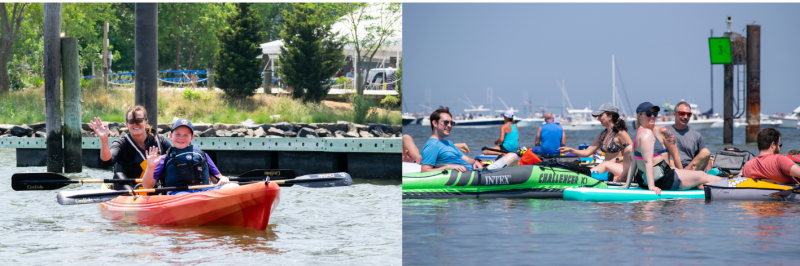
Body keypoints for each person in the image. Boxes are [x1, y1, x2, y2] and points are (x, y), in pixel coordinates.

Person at [618, 102, 721, 195]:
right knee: (702, 175)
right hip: (665, 179)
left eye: (655, 114)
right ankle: (730, 182)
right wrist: (652, 186)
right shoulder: (647, 133)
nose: (653, 116)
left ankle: (701, 185)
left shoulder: (638, 133)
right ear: (639, 116)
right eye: (649, 114)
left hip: (648, 179)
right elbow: (648, 162)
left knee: (688, 173)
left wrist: (627, 184)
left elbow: (634, 161)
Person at [142, 118, 235, 195]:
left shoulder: (203, 155)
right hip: (178, 195)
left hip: (203, 193)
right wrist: (150, 167)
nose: (181, 138)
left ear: (191, 138)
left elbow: (217, 179)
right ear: (170, 136)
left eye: (185, 135)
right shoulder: (163, 159)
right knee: (185, 196)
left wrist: (223, 179)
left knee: (233, 187)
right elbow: (147, 186)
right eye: (177, 134)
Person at [91, 106, 172, 190]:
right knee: (118, 176)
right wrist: (104, 139)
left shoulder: (159, 140)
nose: (135, 124)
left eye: (139, 120)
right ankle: (133, 196)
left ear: (146, 122)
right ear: (127, 124)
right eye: (131, 121)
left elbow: (175, 156)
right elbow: (108, 161)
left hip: (156, 188)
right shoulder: (121, 144)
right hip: (131, 190)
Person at [421, 106, 518, 173]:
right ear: (434, 123)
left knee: (512, 158)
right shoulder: (432, 145)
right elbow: (425, 171)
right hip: (472, 176)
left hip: (477, 171)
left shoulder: (448, 143)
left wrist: (475, 162)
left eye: (452, 123)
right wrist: (448, 167)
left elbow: (467, 159)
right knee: (512, 156)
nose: (450, 126)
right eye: (446, 122)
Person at [558, 103, 632, 181]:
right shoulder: (603, 134)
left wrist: (616, 159)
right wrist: (571, 150)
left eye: (600, 116)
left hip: (622, 169)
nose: (598, 119)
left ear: (610, 116)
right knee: (587, 167)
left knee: (604, 164)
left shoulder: (621, 133)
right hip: (609, 169)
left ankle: (578, 178)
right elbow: (586, 152)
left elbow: (633, 153)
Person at [666, 101, 711, 171]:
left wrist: (708, 175)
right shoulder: (664, 131)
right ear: (675, 114)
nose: (686, 117)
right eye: (682, 114)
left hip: (690, 168)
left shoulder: (696, 135)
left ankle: (687, 176)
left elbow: (706, 159)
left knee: (706, 152)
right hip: (671, 169)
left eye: (689, 114)